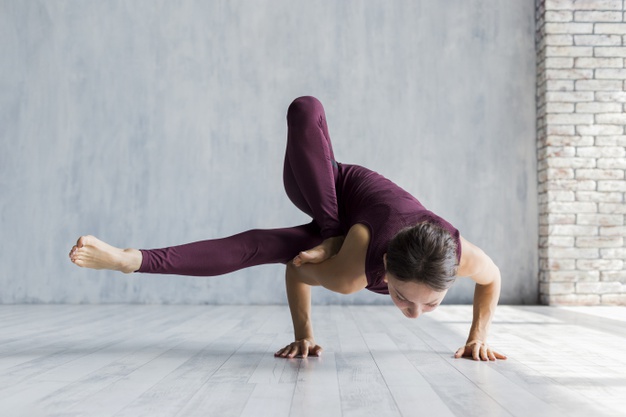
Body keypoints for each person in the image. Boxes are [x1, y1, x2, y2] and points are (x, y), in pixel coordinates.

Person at [69, 96, 507, 362]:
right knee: (305, 107)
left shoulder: (455, 253)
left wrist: (478, 337)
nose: (413, 314)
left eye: (429, 305)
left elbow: (492, 278)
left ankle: (132, 260)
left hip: (351, 230)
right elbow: (297, 269)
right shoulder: (355, 270)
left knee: (257, 245)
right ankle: (331, 230)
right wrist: (305, 330)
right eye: (401, 298)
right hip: (319, 184)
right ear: (386, 267)